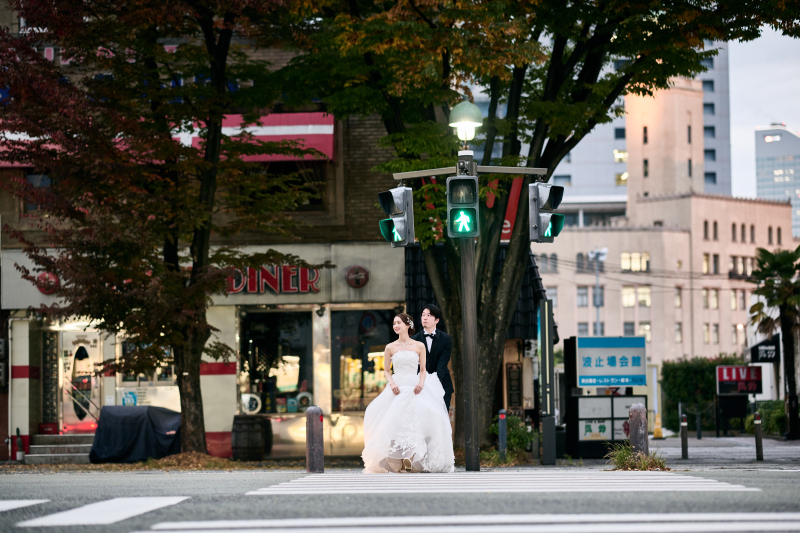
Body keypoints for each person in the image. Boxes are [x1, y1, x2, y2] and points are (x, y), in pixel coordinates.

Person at [362, 313, 455, 473]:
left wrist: (420, 383)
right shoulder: (390, 347)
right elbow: (386, 370)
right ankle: (397, 459)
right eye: (393, 324)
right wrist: (391, 384)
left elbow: (424, 369)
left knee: (422, 418)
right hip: (397, 387)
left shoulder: (419, 346)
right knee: (393, 420)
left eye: (398, 323)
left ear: (408, 325)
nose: (395, 326)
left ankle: (413, 457)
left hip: (415, 386)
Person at [411, 304, 453, 411]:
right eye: (423, 315)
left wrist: (431, 386)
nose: (425, 317)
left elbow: (442, 365)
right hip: (419, 388)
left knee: (441, 421)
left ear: (437, 320)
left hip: (442, 385)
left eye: (429, 315)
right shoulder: (414, 340)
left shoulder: (446, 339)